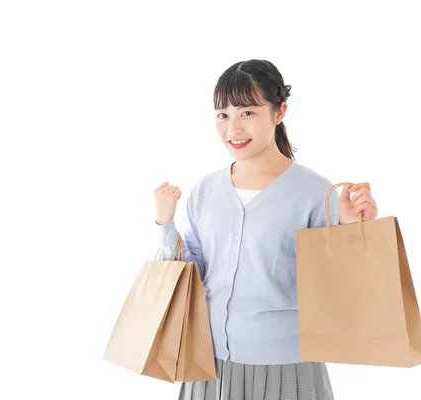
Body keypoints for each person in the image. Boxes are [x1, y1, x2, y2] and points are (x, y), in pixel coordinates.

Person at [153, 59, 379, 400]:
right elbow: (192, 279)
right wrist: (165, 224)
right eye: (223, 115)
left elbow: (346, 290)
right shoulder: (205, 190)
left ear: (280, 111)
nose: (233, 129)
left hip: (287, 366)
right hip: (209, 364)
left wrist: (354, 227)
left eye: (247, 113)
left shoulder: (315, 191)